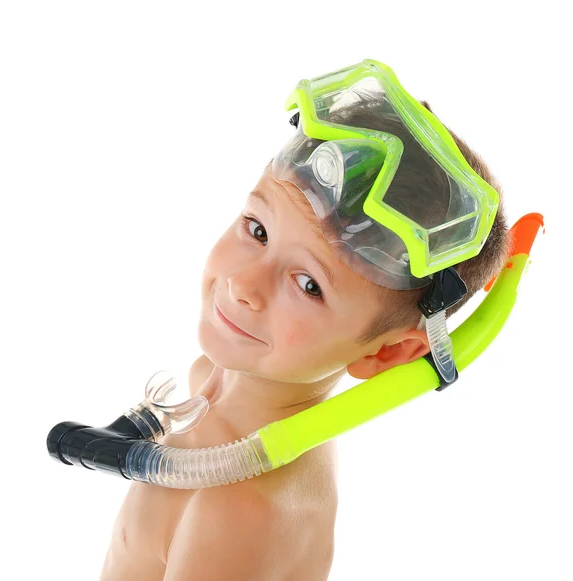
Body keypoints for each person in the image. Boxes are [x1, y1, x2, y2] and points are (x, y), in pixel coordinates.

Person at [99, 61, 511, 580]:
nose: (244, 287)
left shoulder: (241, 509)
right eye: (257, 229)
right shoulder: (214, 379)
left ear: (384, 353)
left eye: (308, 284)